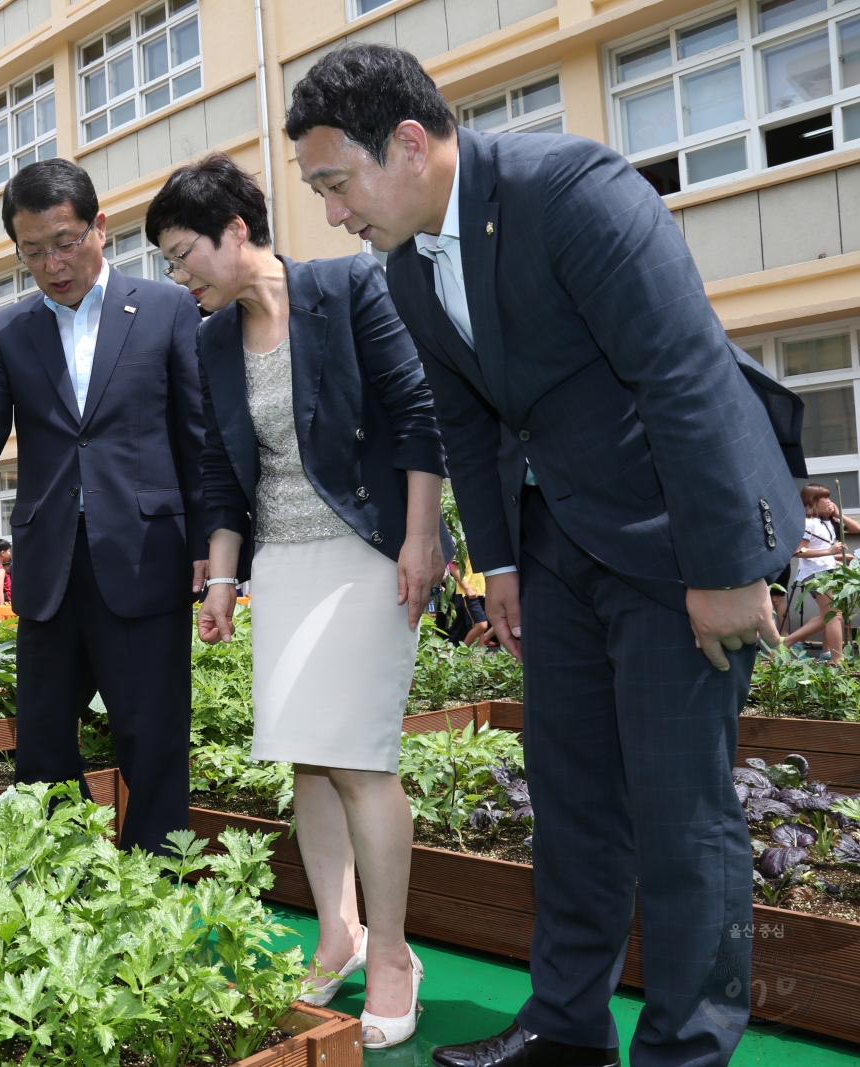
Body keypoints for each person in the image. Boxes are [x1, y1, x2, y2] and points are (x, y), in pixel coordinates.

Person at [283, 45, 805, 1067]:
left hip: (672, 537)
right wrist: (503, 568)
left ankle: (683, 1048)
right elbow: (468, 422)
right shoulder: (406, 263)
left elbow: (684, 377)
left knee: (679, 810)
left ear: (408, 143)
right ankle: (567, 1027)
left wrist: (722, 568)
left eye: (335, 184)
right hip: (558, 543)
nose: (334, 214)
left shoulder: (573, 192)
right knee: (569, 798)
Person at [148, 152, 447, 1049]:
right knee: (304, 759)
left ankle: (394, 953)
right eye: (165, 261)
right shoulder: (209, 340)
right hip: (281, 562)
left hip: (368, 550)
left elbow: (417, 411)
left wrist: (423, 535)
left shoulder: (350, 287)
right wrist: (226, 578)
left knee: (356, 758)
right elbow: (219, 472)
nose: (177, 275)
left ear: (237, 230)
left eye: (182, 252)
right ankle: (338, 933)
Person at [0, 156, 207, 855]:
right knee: (44, 746)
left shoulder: (166, 308)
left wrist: (212, 541)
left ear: (100, 228)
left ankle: (153, 893)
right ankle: (69, 888)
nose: (53, 263)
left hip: (145, 558)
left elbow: (198, 434)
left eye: (66, 240)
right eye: (33, 251)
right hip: (49, 567)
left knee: (152, 739)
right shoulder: (10, 331)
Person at [780, 483, 860, 659]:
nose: (830, 502)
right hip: (818, 574)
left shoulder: (827, 522)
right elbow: (799, 552)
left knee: (829, 615)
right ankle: (837, 661)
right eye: (825, 498)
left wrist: (838, 514)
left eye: (830, 498)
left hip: (829, 572)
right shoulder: (808, 523)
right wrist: (829, 552)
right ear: (812, 502)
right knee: (834, 615)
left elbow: (857, 529)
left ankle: (786, 643)